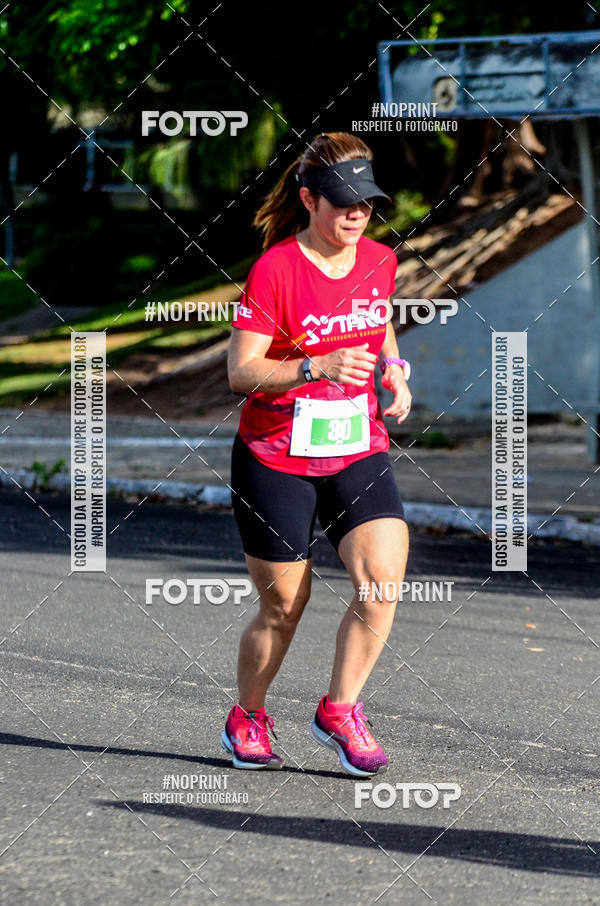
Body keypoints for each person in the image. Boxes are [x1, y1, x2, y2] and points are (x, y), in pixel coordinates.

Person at [222, 132, 411, 777]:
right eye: (343, 203)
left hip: (356, 444)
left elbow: (378, 321)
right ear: (309, 199)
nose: (357, 215)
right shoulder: (276, 270)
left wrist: (394, 369)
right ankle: (248, 714)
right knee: (283, 606)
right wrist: (315, 365)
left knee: (381, 584)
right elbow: (242, 374)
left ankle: (340, 708)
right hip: (274, 454)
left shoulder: (379, 260)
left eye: (367, 203)